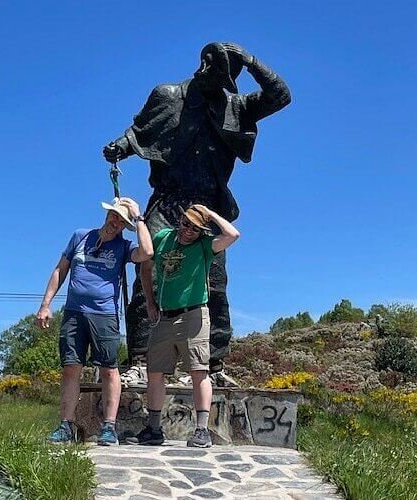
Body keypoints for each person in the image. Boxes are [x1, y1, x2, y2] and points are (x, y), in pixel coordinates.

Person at [104, 42, 290, 387]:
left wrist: (248, 61)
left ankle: (213, 364)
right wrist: (120, 147)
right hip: (168, 200)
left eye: (227, 79)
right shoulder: (168, 95)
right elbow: (140, 131)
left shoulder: (236, 106)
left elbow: (280, 95)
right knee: (151, 273)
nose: (221, 84)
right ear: (203, 66)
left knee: (214, 283)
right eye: (218, 74)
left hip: (207, 207)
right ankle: (142, 360)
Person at [36, 197, 153, 445]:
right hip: (74, 312)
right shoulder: (80, 236)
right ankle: (65, 425)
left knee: (109, 370)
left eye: (122, 220)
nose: (116, 222)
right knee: (70, 368)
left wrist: (138, 217)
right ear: (107, 214)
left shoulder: (124, 246)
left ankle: (109, 428)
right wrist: (45, 305)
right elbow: (60, 270)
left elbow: (147, 252)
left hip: (105, 315)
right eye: (114, 216)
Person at [127, 203, 239, 448]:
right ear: (180, 220)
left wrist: (211, 214)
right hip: (164, 315)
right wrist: (149, 300)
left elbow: (233, 234)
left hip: (193, 314)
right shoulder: (162, 238)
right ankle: (154, 428)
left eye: (196, 228)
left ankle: (201, 430)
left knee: (199, 370)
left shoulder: (204, 246)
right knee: (155, 372)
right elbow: (145, 267)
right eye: (186, 224)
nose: (189, 230)